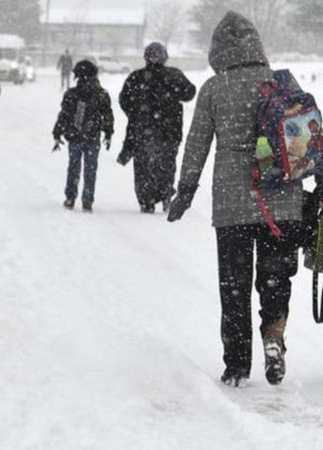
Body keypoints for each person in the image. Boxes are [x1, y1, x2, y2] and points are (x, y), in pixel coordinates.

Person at [167, 11, 316, 387]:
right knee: (275, 278)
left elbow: (197, 144)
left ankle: (236, 366)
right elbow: (307, 136)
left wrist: (185, 190)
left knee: (234, 286)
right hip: (282, 200)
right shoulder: (281, 82)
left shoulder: (215, 89)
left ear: (218, 51)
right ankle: (274, 335)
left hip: (233, 203)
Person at [118, 42, 196, 213]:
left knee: (144, 167)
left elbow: (124, 100)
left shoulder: (136, 77)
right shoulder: (173, 75)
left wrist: (136, 114)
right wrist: (173, 93)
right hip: (169, 131)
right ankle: (165, 194)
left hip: (143, 131)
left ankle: (147, 200)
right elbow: (189, 92)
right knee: (166, 165)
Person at [52, 60, 114, 212]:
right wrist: (108, 132)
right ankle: (87, 199)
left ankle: (70, 197)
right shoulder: (101, 94)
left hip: (75, 136)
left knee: (74, 167)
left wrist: (57, 132)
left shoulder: (72, 94)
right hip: (93, 137)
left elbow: (64, 115)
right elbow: (107, 115)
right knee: (90, 169)